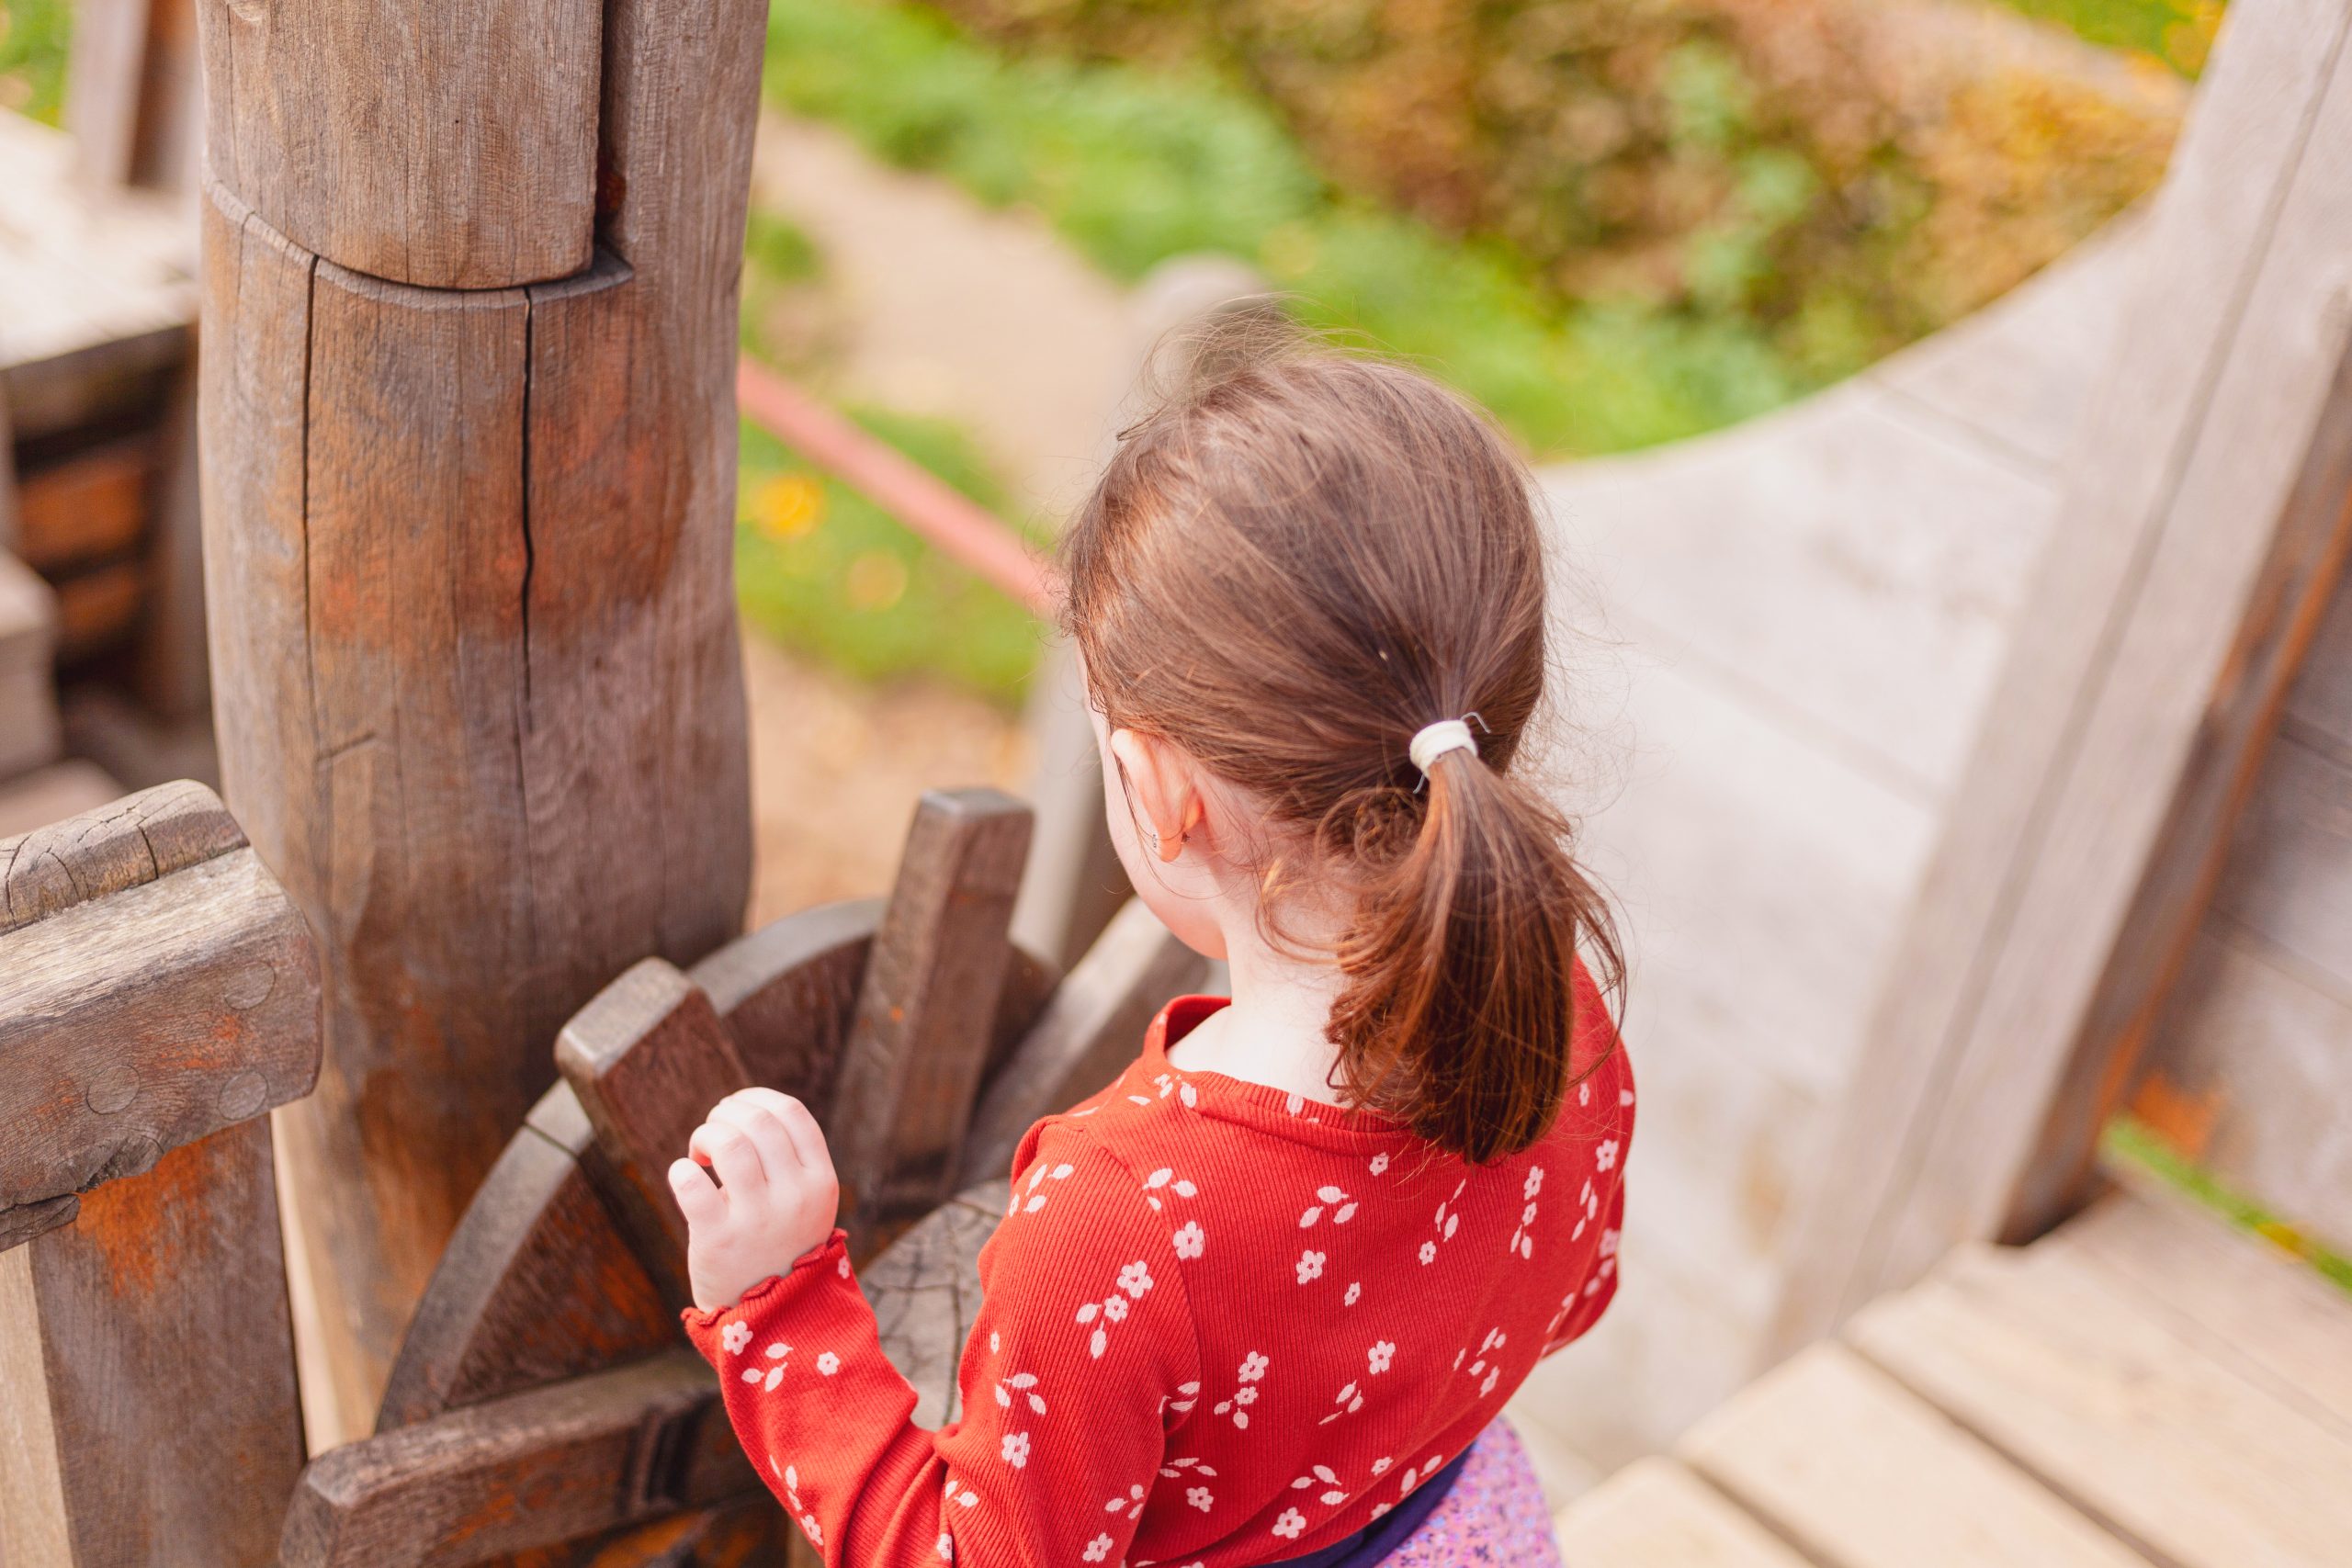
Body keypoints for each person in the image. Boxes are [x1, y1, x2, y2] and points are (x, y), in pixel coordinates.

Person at [672, 312, 1634, 1566]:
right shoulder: (1550, 999)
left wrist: (777, 1307)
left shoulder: (1119, 1221)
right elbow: (1572, 1293)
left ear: (1159, 788)